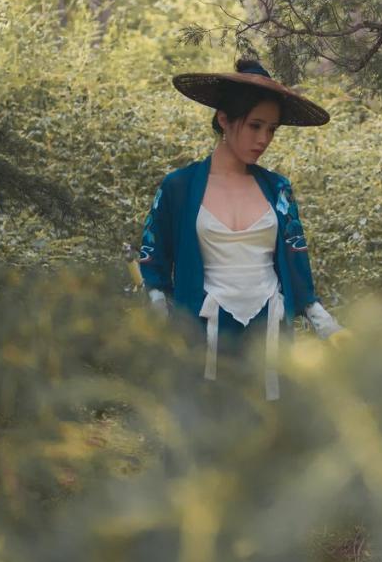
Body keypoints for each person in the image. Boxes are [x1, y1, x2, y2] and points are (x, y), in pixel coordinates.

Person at [139, 58, 342, 400]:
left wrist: (325, 325)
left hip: (269, 333)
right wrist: (164, 323)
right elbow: (153, 262)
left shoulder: (278, 189)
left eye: (272, 129)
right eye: (255, 125)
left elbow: (296, 263)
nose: (263, 139)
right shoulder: (180, 187)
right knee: (204, 439)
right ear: (224, 118)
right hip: (203, 333)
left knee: (268, 441)